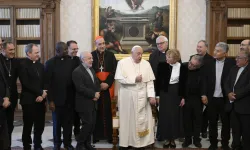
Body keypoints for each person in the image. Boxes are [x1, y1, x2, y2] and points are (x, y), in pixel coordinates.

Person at [115, 45, 156, 150]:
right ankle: (126, 143)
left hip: (143, 96)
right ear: (132, 53)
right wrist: (134, 79)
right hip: (128, 96)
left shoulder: (146, 64)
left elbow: (150, 82)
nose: (140, 56)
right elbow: (120, 78)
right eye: (138, 53)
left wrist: (151, 96)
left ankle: (143, 143)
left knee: (144, 121)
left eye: (141, 54)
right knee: (128, 121)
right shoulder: (122, 63)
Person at [45, 42, 78, 150]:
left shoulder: (71, 62)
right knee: (57, 125)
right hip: (56, 100)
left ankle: (67, 144)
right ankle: (57, 144)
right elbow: (47, 84)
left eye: (65, 50)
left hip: (69, 99)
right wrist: (50, 101)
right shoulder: (50, 63)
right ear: (57, 51)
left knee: (68, 125)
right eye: (62, 51)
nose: (65, 52)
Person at [202, 42, 235, 150]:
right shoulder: (208, 63)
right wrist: (204, 94)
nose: (215, 52)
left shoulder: (232, 63)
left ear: (225, 53)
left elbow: (233, 81)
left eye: (218, 51)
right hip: (211, 98)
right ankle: (213, 143)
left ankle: (225, 144)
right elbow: (204, 81)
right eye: (215, 50)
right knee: (212, 122)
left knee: (226, 123)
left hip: (225, 98)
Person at [155, 49, 186, 148]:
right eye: (167, 56)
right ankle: (166, 138)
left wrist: (183, 97)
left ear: (175, 59)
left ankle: (172, 139)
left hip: (176, 93)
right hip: (164, 93)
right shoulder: (162, 65)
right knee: (165, 116)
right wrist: (157, 96)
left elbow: (184, 84)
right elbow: (158, 82)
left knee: (174, 116)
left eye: (169, 57)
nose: (167, 58)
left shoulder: (182, 67)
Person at [19, 43, 46, 150]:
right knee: (28, 125)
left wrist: (43, 94)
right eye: (36, 52)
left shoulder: (40, 65)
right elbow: (26, 83)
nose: (38, 54)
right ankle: (26, 145)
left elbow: (45, 81)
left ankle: (37, 144)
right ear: (28, 53)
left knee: (40, 125)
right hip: (29, 100)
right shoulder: (22, 65)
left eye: (38, 52)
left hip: (41, 99)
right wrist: (40, 92)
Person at [72, 52, 100, 150]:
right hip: (83, 103)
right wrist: (93, 94)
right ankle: (79, 145)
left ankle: (87, 144)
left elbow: (96, 83)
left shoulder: (91, 69)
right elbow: (80, 88)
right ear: (83, 60)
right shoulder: (77, 71)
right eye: (89, 58)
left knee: (92, 125)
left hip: (93, 102)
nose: (92, 60)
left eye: (91, 58)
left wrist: (97, 93)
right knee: (87, 124)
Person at [92, 36, 117, 143]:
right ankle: (96, 135)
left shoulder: (111, 55)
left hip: (108, 87)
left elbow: (114, 71)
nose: (102, 46)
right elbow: (90, 71)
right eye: (99, 44)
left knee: (108, 110)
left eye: (103, 43)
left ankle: (109, 136)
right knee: (96, 111)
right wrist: (99, 83)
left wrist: (107, 83)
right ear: (95, 44)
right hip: (96, 87)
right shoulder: (92, 55)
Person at [224, 50, 250, 150]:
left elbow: (248, 87)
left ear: (246, 60)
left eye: (239, 58)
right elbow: (227, 83)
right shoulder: (234, 68)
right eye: (236, 57)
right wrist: (229, 93)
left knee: (246, 131)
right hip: (233, 106)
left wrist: (236, 95)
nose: (236, 59)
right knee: (235, 130)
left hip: (245, 106)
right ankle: (235, 146)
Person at [182, 55, 204, 148]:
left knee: (197, 120)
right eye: (190, 63)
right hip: (185, 98)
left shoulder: (201, 71)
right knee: (186, 120)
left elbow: (204, 84)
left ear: (198, 66)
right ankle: (187, 139)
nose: (190, 66)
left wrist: (203, 95)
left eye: (194, 65)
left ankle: (196, 139)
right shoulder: (183, 67)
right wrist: (182, 97)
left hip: (197, 99)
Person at [0, 41, 19, 150]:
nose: (13, 52)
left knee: (10, 125)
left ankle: (8, 146)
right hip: (1, 97)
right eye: (10, 50)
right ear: (3, 50)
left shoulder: (15, 62)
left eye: (13, 49)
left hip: (12, 97)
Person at [195, 40, 214, 138]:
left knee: (206, 112)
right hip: (195, 90)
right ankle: (196, 131)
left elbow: (210, 77)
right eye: (197, 46)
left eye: (200, 47)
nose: (198, 48)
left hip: (207, 89)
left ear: (206, 47)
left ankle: (204, 130)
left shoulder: (211, 59)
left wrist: (205, 93)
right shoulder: (193, 57)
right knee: (197, 112)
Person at [66, 40, 81, 138]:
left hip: (77, 92)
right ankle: (67, 135)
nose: (75, 51)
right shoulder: (63, 60)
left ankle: (77, 133)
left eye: (77, 49)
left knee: (77, 115)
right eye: (73, 49)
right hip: (66, 93)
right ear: (67, 49)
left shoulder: (79, 60)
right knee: (67, 117)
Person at [0, 53, 11, 150]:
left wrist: (7, 97)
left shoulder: (1, 59)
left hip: (3, 103)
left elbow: (5, 81)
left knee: (4, 134)